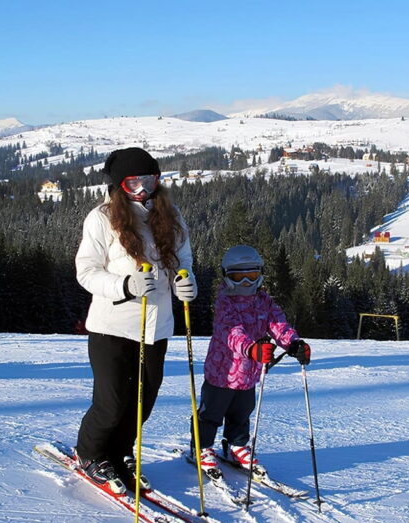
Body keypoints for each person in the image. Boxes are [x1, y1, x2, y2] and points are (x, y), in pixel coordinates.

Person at [75, 147, 197, 494]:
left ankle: (120, 452)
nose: (143, 189)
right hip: (111, 327)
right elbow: (86, 272)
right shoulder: (101, 218)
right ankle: (90, 452)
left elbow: (182, 260)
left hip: (155, 328)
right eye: (133, 183)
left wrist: (185, 283)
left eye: (150, 180)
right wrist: (124, 285)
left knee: (143, 401)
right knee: (112, 402)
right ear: (118, 185)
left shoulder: (170, 216)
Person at [193, 245, 311, 480]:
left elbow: (277, 324)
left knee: (242, 412)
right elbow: (231, 331)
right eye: (239, 276)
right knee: (211, 413)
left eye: (252, 275)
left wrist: (293, 343)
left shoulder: (264, 301)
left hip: (248, 374)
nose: (246, 282)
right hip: (222, 372)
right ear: (227, 275)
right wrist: (251, 348)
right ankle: (202, 447)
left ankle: (236, 446)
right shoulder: (225, 302)